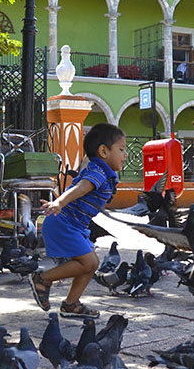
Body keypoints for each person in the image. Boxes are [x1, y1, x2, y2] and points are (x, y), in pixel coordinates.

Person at [28, 123, 127, 319]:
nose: (125, 155)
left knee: (90, 264)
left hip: (74, 225)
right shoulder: (98, 172)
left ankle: (71, 304)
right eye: (122, 149)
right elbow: (80, 188)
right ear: (103, 151)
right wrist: (59, 202)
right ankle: (42, 278)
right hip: (63, 222)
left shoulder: (102, 172)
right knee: (89, 262)